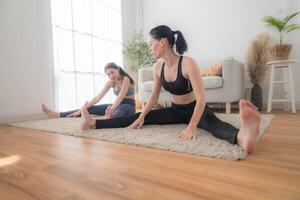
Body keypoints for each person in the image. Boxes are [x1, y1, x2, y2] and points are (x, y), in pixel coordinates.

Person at [80, 25, 261, 153]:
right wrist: (142, 116)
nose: (150, 48)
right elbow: (154, 97)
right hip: (175, 111)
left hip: (194, 109)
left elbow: (201, 98)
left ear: (163, 42)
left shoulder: (188, 63)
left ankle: (243, 138)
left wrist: (192, 126)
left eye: (151, 43)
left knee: (213, 125)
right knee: (137, 118)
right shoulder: (157, 67)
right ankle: (93, 124)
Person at [42, 62, 136, 119]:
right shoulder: (110, 83)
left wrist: (111, 111)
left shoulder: (125, 79)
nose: (111, 76)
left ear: (118, 69)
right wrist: (82, 110)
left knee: (117, 113)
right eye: (108, 74)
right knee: (89, 109)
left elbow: (120, 97)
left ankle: (107, 119)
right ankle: (57, 115)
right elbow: (97, 98)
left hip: (129, 105)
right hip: (117, 104)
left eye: (112, 72)